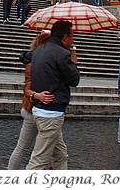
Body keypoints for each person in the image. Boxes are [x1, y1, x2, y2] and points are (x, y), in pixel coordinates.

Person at [27, 20, 80, 170]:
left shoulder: (39, 49)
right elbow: (74, 79)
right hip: (50, 113)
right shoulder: (62, 54)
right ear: (65, 37)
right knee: (39, 161)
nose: (73, 39)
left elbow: (24, 56)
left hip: (41, 110)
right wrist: (73, 63)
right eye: (72, 36)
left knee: (60, 154)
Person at [7, 32, 56, 169]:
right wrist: (37, 95)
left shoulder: (43, 60)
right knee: (25, 148)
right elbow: (27, 88)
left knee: (52, 150)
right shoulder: (33, 63)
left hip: (41, 110)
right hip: (33, 109)